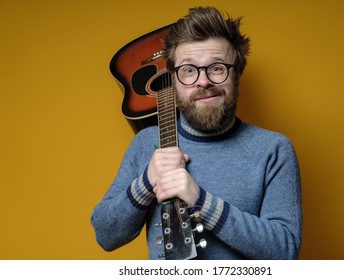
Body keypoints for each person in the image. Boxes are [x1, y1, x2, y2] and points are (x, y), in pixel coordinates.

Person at [91, 6, 302, 260]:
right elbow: (105, 235)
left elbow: (285, 251)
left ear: (236, 74)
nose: (203, 82)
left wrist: (201, 201)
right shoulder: (147, 143)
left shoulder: (273, 149)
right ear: (173, 80)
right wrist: (146, 183)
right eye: (189, 70)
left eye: (216, 67)